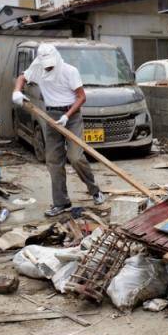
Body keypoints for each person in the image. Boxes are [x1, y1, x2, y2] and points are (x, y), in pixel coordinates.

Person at [12, 43, 105, 217]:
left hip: (72, 115)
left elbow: (81, 97)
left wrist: (68, 116)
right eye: (45, 63)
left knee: (75, 157)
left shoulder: (70, 71)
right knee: (54, 161)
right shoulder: (37, 67)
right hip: (51, 116)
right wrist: (17, 92)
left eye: (50, 63)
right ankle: (61, 202)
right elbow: (22, 78)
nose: (49, 66)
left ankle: (95, 191)